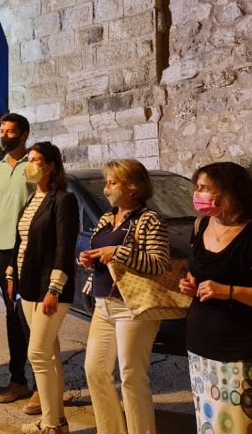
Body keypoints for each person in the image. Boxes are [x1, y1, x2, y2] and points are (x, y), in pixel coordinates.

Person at [179, 162, 252, 434]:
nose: (197, 193)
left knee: (250, 426)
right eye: (196, 187)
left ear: (228, 192)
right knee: (214, 426)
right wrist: (190, 283)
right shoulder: (200, 225)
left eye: (204, 188)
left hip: (251, 355)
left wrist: (229, 291)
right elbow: (197, 271)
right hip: (203, 350)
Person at [79, 159, 170, 434]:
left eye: (112, 182)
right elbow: (100, 249)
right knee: (94, 371)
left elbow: (159, 263)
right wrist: (89, 259)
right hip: (103, 304)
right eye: (107, 181)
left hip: (133, 308)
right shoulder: (108, 217)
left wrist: (117, 253)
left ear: (133, 187)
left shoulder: (149, 219)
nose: (106, 187)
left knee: (131, 377)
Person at [8, 142, 77, 434]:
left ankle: (50, 424)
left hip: (50, 288)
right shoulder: (31, 200)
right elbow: (21, 242)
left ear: (50, 166)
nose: (30, 164)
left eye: (36, 160)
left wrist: (55, 288)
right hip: (29, 284)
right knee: (48, 353)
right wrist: (12, 274)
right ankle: (56, 420)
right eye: (29, 159)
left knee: (36, 353)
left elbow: (64, 246)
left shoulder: (63, 200)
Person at [0, 112, 36, 408]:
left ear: (22, 135)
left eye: (9, 132)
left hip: (24, 250)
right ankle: (17, 379)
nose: (3, 135)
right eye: (1, 130)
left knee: (29, 317)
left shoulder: (33, 167)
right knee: (11, 315)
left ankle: (43, 383)